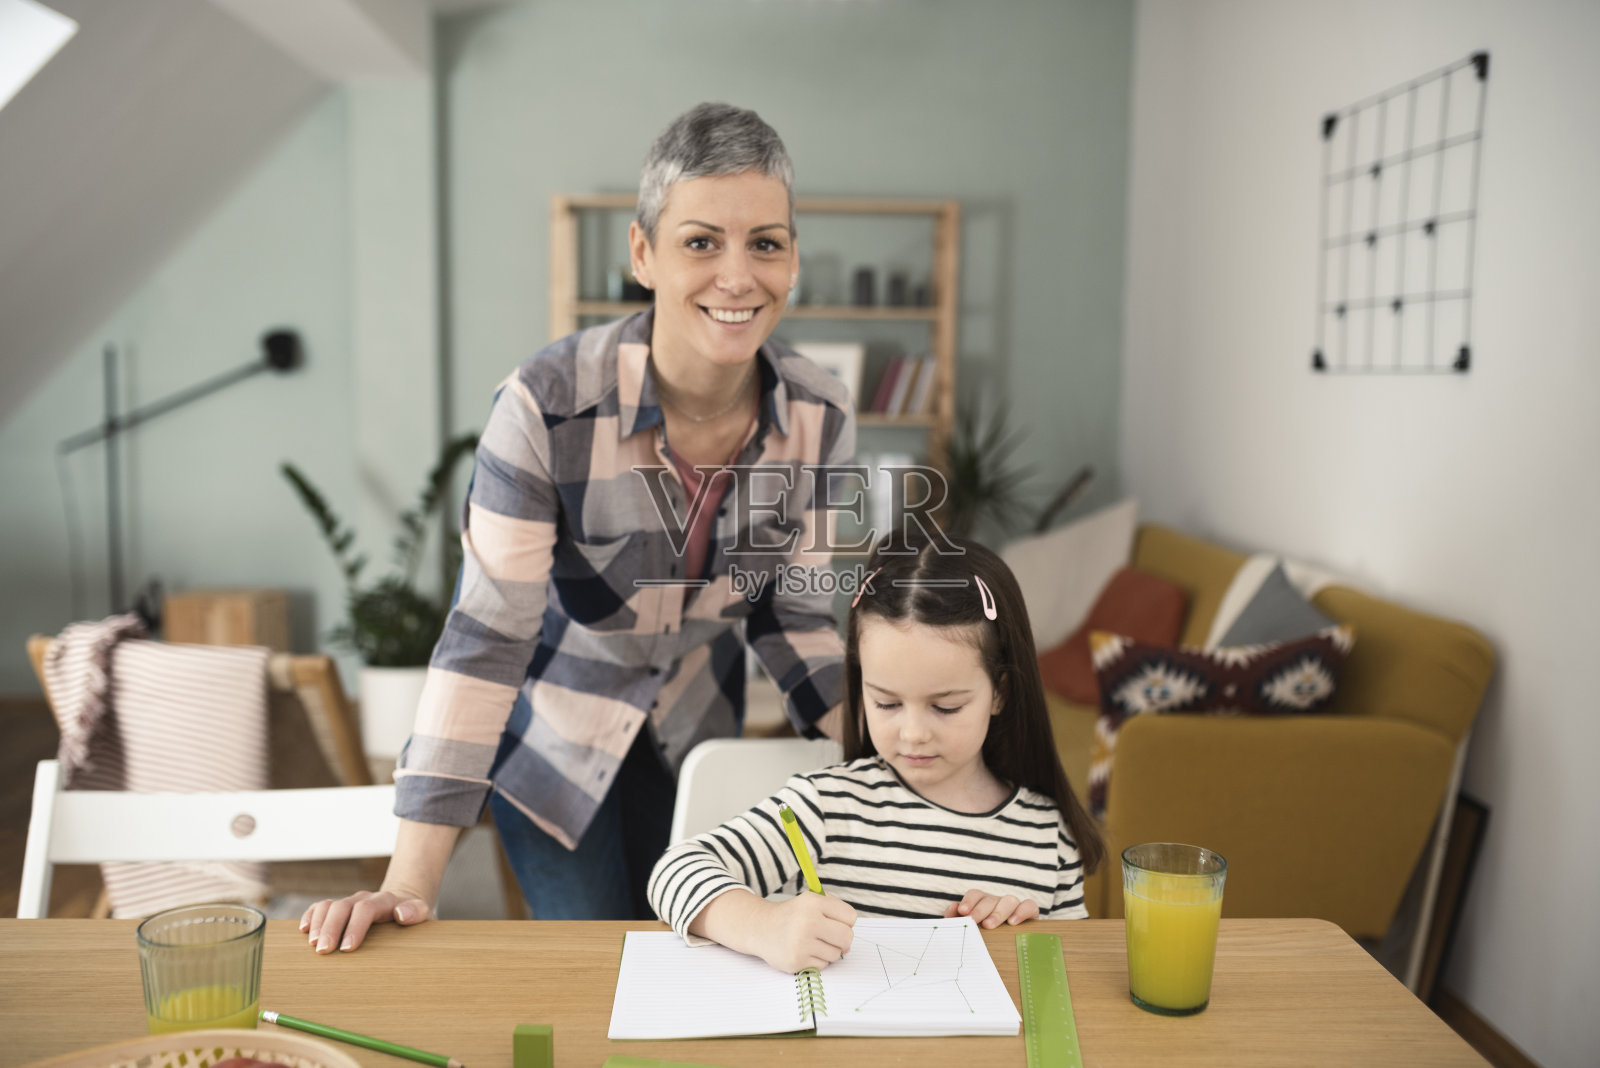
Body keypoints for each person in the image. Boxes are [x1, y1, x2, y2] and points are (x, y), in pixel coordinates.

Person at [302, 102, 855, 952]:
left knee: (692, 958)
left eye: (766, 244)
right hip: (554, 735)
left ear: (791, 259)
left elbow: (797, 616)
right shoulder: (545, 407)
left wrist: (896, 749)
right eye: (701, 241)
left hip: (697, 727)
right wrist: (407, 884)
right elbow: (487, 639)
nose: (738, 277)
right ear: (643, 253)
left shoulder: (819, 412)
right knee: (593, 967)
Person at [646, 534, 1105, 974]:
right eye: (885, 702)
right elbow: (674, 871)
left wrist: (1020, 940)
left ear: (1000, 693)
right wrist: (765, 926)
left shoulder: (1048, 837)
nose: (913, 733)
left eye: (945, 706)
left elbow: (1068, 988)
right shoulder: (828, 805)